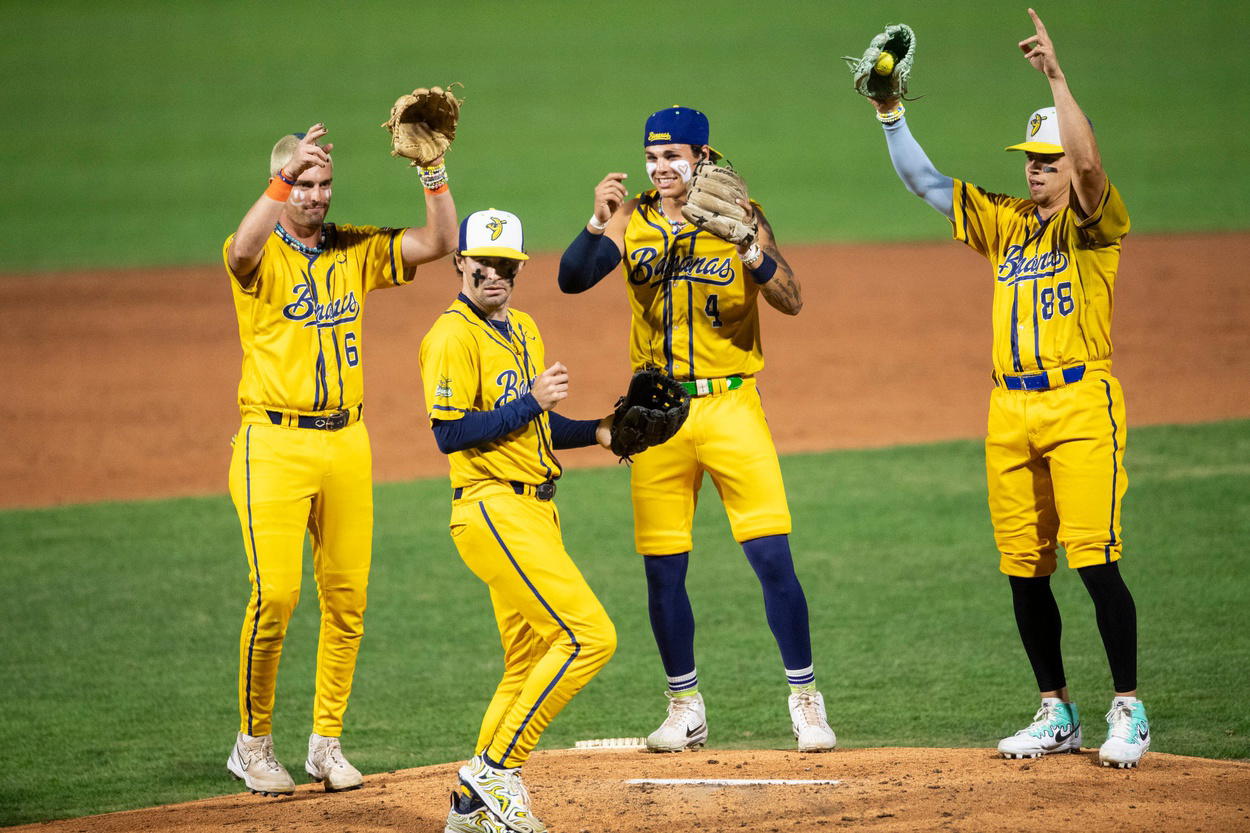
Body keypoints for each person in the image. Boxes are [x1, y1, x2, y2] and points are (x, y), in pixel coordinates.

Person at [864, 9, 1148, 767]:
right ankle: (1056, 709)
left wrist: (1057, 78)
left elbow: (1091, 173)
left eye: (1046, 159)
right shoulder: (1007, 221)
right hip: (1009, 410)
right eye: (1031, 158)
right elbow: (925, 183)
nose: (1036, 168)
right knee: (1024, 567)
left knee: (1096, 559)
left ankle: (1129, 706)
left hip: (1081, 403)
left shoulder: (1092, 224)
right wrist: (890, 115)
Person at [557, 106, 836, 753]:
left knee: (772, 558)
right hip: (659, 416)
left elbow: (791, 297)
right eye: (652, 158)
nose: (661, 169)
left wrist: (749, 247)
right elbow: (571, 280)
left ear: (703, 157)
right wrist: (598, 219)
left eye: (673, 157)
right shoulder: (634, 218)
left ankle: (806, 701)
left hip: (733, 406)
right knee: (663, 572)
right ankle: (685, 705)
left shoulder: (744, 212)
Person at [222, 123, 458, 794]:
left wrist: (433, 170)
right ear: (281, 184)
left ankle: (326, 741)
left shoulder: (351, 248)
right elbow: (241, 249)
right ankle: (252, 741)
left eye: (324, 183)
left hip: (346, 442)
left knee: (347, 599)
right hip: (272, 442)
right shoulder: (260, 251)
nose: (316, 195)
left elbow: (438, 242)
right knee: (276, 595)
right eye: (303, 183)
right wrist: (280, 173)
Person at [421, 209, 618, 833]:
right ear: (460, 262)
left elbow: (538, 423)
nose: (494, 275)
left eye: (507, 265)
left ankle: (471, 807)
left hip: (537, 509)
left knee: (526, 660)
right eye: (483, 264)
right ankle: (497, 770)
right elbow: (450, 432)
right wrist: (531, 398)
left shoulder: (524, 327)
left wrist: (600, 431)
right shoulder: (450, 336)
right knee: (589, 637)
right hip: (491, 508)